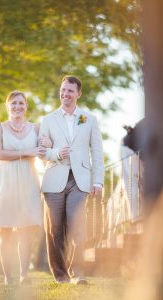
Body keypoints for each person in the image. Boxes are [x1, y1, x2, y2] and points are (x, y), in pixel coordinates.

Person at [39, 76, 104, 284]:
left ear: (78, 94)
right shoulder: (47, 120)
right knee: (55, 229)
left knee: (77, 225)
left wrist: (98, 181)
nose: (65, 94)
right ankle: (60, 275)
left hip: (80, 180)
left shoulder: (88, 118)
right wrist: (57, 152)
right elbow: (41, 152)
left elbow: (97, 151)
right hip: (53, 180)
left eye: (70, 91)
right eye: (63, 90)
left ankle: (78, 273)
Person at [0, 90, 50, 285]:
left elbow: (43, 152)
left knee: (25, 231)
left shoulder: (36, 128)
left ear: (26, 106)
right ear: (8, 106)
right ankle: (8, 277)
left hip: (29, 180)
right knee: (5, 232)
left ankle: (24, 275)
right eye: (14, 103)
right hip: (5, 182)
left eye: (21, 103)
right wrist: (27, 152)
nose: (17, 106)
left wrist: (46, 146)